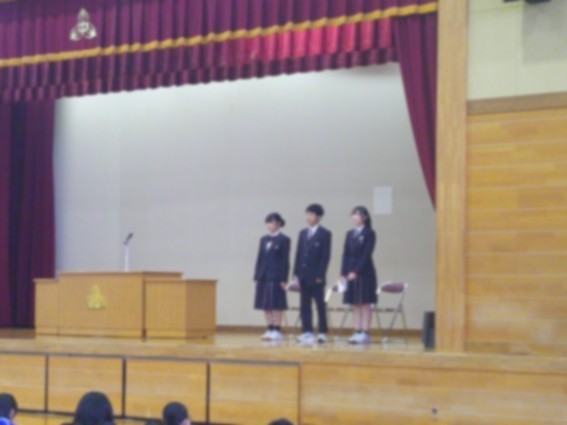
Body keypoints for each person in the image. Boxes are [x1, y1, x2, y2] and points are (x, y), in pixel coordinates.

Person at [294, 204, 332, 344]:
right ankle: (307, 331)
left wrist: (320, 275)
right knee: (304, 304)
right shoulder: (303, 233)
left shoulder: (325, 233)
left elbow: (325, 256)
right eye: (307, 214)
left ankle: (322, 332)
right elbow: (298, 254)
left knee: (320, 305)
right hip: (303, 275)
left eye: (311, 215)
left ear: (318, 217)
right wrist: (296, 274)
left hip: (316, 277)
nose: (308, 217)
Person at [340, 206, 378, 344]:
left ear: (365, 217)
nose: (355, 217)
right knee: (355, 303)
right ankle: (357, 331)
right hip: (349, 272)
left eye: (358, 214)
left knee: (365, 303)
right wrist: (343, 272)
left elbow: (366, 254)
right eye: (353, 214)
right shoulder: (349, 233)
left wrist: (356, 271)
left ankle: (365, 332)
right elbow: (345, 254)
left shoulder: (369, 233)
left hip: (364, 272)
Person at [254, 212, 291, 341]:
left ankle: (277, 329)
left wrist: (284, 278)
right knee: (265, 304)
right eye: (269, 222)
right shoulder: (263, 239)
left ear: (279, 224)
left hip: (276, 276)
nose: (271, 225)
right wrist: (257, 274)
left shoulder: (284, 239)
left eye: (274, 222)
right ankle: (269, 328)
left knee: (276, 304)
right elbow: (260, 258)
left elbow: (285, 260)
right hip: (263, 275)